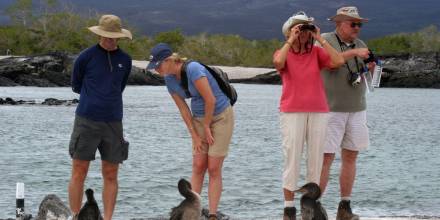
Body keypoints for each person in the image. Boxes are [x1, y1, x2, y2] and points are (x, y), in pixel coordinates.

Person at [146, 43, 234, 220]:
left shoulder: (193, 69)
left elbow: (210, 100)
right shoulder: (169, 79)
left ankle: (213, 215)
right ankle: (194, 212)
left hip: (221, 116)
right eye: (154, 67)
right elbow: (183, 109)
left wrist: (207, 126)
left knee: (214, 167)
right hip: (199, 118)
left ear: (170, 60)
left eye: (158, 65)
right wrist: (194, 135)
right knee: (198, 165)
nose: (156, 70)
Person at [272, 11, 345, 220]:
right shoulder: (282, 51)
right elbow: (278, 63)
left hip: (319, 110)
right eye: (300, 28)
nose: (304, 32)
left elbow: (338, 61)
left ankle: (311, 206)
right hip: (292, 111)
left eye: (306, 28)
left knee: (315, 159)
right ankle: (288, 209)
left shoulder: (316, 52)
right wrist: (291, 40)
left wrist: (320, 38)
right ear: (290, 31)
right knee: (292, 157)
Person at [68, 14, 132, 220]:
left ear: (119, 37)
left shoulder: (125, 60)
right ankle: (76, 215)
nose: (109, 40)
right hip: (86, 119)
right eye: (106, 36)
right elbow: (76, 85)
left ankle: (108, 218)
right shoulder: (85, 57)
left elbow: (118, 88)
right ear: (99, 34)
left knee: (111, 173)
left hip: (113, 122)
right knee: (79, 170)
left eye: (113, 36)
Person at [318, 6, 374, 220]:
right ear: (339, 23)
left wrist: (368, 69)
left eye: (359, 24)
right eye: (353, 24)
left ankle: (345, 207)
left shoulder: (361, 44)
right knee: (326, 158)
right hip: (330, 110)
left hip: (357, 108)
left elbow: (361, 77)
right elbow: (331, 63)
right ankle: (315, 206)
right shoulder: (325, 40)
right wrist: (354, 53)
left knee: (351, 156)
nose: (357, 28)